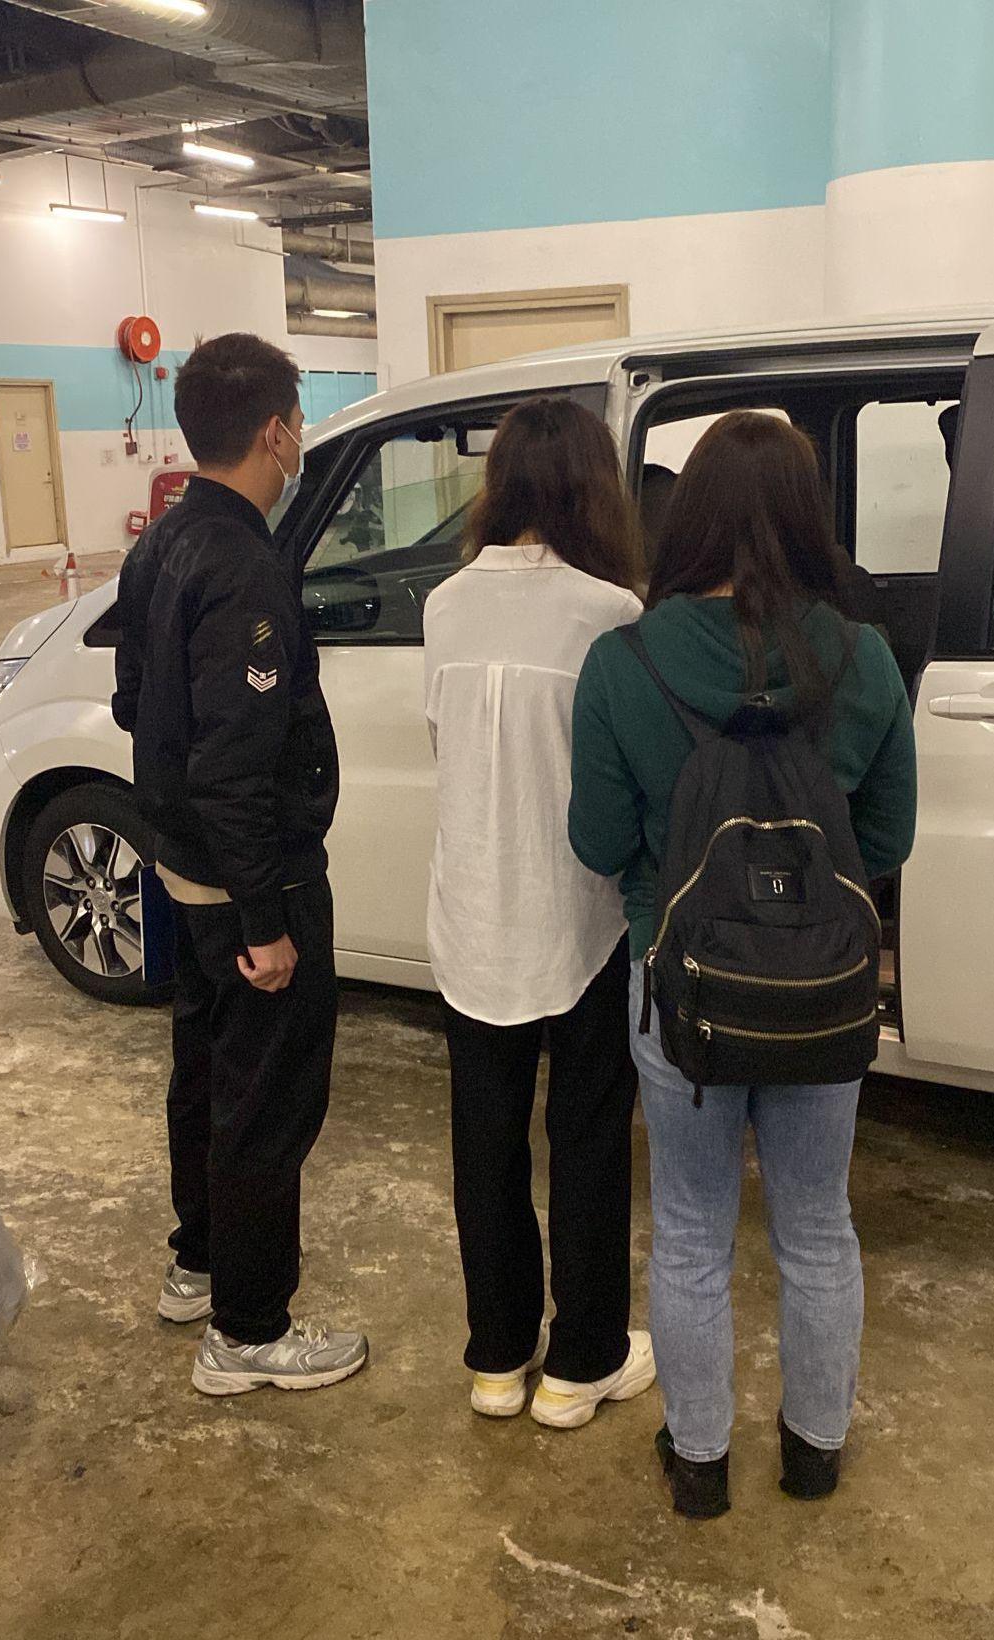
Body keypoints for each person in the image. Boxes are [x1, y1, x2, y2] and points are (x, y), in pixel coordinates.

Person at [569, 411, 916, 1515]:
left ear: (690, 515)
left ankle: (701, 1464)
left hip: (681, 993)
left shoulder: (624, 661)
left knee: (689, 1230)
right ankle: (814, 1452)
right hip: (823, 993)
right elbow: (891, 836)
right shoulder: (861, 658)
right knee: (817, 1225)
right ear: (809, 517)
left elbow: (596, 841)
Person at [112, 332, 368, 1396]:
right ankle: (249, 1331)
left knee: (208, 1074)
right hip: (250, 880)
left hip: (184, 868)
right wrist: (267, 919)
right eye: (298, 421)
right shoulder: (245, 567)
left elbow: (134, 701)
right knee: (266, 1102)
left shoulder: (161, 543)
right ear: (275, 432)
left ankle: (200, 1262)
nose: (299, 438)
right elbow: (234, 767)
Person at [423, 397, 657, 1428]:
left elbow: (445, 747)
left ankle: (496, 1358)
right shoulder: (613, 612)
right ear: (596, 490)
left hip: (472, 913)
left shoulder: (443, 605)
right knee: (590, 1136)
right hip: (582, 917)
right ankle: (582, 1363)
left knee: (485, 1141)